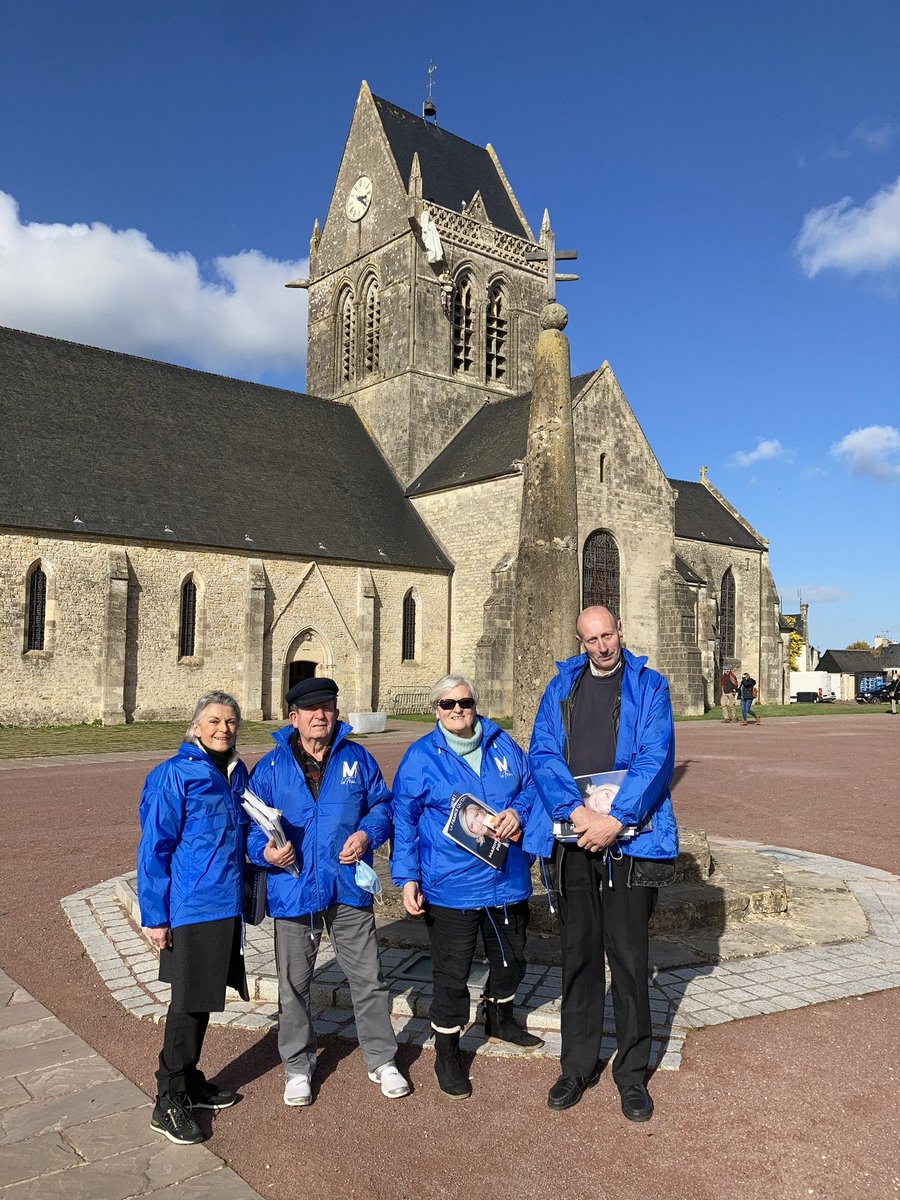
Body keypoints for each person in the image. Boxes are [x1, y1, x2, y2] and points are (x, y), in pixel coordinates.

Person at [527, 606, 678, 1122]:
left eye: (607, 635)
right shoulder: (560, 689)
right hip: (573, 840)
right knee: (580, 956)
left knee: (631, 961)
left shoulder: (650, 687)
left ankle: (632, 1074)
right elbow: (542, 753)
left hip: (628, 842)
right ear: (580, 640)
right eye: (590, 639)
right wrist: (574, 811)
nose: (601, 646)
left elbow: (656, 758)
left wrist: (615, 818)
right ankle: (577, 1065)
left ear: (620, 632)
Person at [246, 677, 409, 1106]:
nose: (321, 715)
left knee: (368, 978)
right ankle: (298, 1065)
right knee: (293, 985)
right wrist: (263, 852)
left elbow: (382, 806)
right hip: (294, 889)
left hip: (346, 885)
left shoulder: (357, 758)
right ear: (293, 717)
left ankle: (381, 1058)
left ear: (336, 712)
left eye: (328, 707)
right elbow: (248, 827)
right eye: (311, 709)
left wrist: (367, 834)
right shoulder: (270, 767)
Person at [391, 674, 543, 1100]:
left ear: (475, 704)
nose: (457, 709)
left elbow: (532, 787)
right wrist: (406, 878)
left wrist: (517, 811)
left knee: (511, 961)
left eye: (464, 701)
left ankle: (502, 1018)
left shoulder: (503, 743)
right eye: (447, 704)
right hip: (450, 886)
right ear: (435, 710)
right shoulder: (420, 757)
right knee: (452, 973)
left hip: (506, 881)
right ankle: (447, 1050)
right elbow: (403, 820)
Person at [138, 691, 249, 1146]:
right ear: (196, 727)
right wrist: (156, 915)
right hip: (193, 906)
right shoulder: (173, 775)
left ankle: (188, 1081)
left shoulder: (234, 772)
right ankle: (168, 1100)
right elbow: (154, 849)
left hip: (227, 904)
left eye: (230, 721)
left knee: (202, 998)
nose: (224, 728)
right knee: (186, 1003)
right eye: (214, 721)